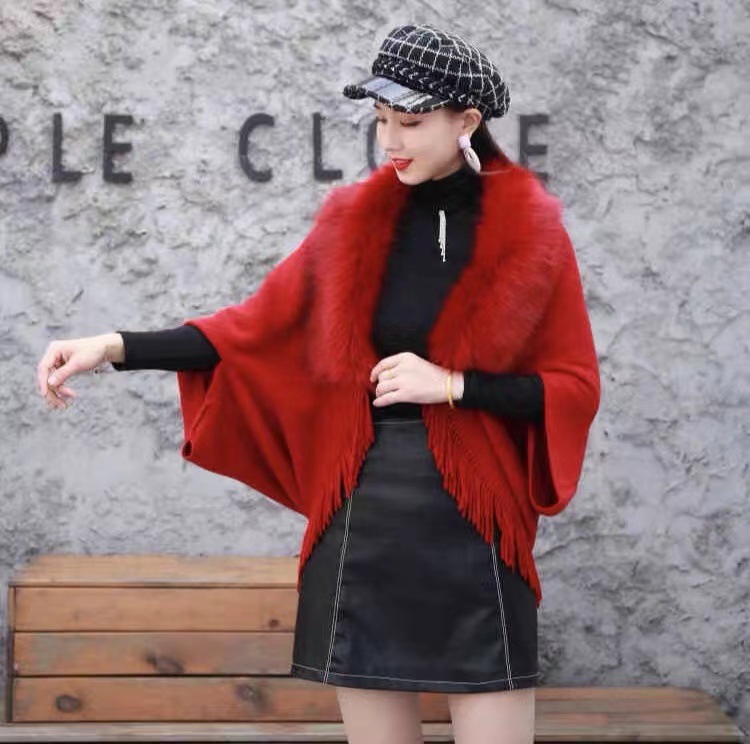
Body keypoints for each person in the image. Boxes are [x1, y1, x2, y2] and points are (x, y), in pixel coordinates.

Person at [35, 23, 600, 744]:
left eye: (410, 123)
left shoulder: (530, 233)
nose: (390, 141)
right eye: (381, 120)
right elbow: (247, 330)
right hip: (361, 517)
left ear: (467, 121)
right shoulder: (353, 224)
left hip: (475, 520)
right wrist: (112, 347)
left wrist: (454, 385)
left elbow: (572, 388)